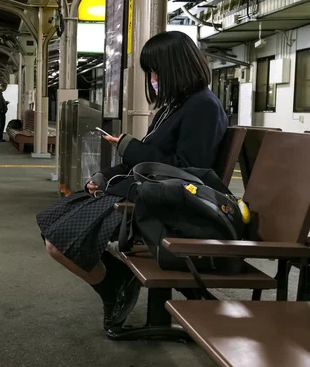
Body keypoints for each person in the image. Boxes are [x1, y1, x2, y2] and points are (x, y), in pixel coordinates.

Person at [36, 30, 227, 332]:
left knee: (57, 243)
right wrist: (104, 176)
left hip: (165, 206)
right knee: (50, 224)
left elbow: (187, 170)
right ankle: (118, 281)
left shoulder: (203, 106)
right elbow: (150, 160)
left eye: (154, 70)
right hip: (144, 194)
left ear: (173, 68)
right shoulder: (173, 107)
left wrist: (128, 146)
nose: (152, 77)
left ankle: (113, 287)